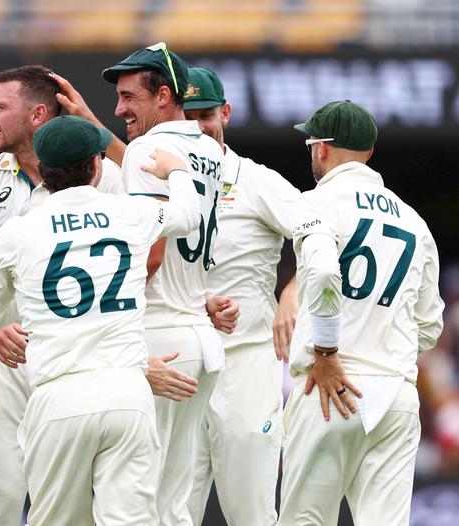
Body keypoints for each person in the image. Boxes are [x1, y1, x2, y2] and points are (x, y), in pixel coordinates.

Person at [0, 115, 203, 525]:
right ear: (97, 166)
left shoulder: (20, 232)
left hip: (58, 394)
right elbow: (188, 215)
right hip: (127, 393)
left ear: (43, 171)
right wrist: (178, 170)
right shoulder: (130, 212)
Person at [0, 64, 131, 526]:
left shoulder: (108, 177)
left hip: (78, 353)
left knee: (77, 501)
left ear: (38, 114)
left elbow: (147, 257)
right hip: (5, 353)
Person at [280, 100, 444, 525]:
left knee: (305, 520)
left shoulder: (316, 202)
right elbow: (429, 325)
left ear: (320, 149)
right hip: (396, 395)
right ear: (370, 153)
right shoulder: (415, 221)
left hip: (330, 388)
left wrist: (328, 352)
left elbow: (320, 272)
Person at [103, 43, 232, 525]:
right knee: (175, 498)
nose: (119, 110)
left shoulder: (146, 149)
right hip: (198, 334)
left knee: (136, 492)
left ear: (163, 96)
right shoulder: (210, 148)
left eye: (128, 96)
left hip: (157, 335)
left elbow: (151, 253)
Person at [181, 67, 302, 526]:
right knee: (170, 511)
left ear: (226, 113)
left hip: (247, 361)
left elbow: (322, 234)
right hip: (182, 363)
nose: (198, 127)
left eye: (207, 115)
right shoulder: (160, 178)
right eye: (188, 116)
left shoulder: (256, 181)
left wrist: (291, 294)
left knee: (250, 511)